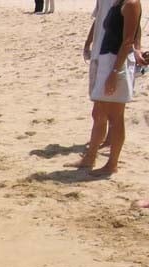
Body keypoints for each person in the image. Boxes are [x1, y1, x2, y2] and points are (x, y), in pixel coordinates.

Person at [68, 0, 142, 175]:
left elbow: (128, 40)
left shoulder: (131, 3)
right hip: (106, 59)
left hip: (117, 63)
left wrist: (115, 72)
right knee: (99, 111)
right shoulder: (118, 2)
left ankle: (112, 164)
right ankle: (90, 157)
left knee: (115, 118)